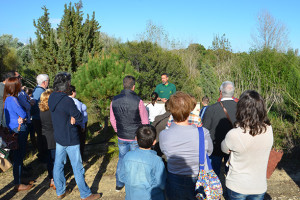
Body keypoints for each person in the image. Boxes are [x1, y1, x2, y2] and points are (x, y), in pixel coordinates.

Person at [48, 72, 101, 200]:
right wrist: (73, 116)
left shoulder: (52, 97)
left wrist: (69, 116)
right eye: (69, 83)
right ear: (66, 84)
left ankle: (60, 191)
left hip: (59, 136)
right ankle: (85, 194)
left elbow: (61, 114)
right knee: (77, 167)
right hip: (71, 138)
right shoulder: (67, 100)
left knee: (58, 165)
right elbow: (79, 116)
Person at [159, 91, 213, 200]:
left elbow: (165, 152)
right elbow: (209, 152)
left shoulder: (164, 135)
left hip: (174, 177)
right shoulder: (203, 132)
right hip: (198, 177)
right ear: (190, 109)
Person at [221, 90, 273, 200]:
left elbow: (224, 149)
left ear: (241, 108)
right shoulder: (269, 129)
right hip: (259, 186)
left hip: (237, 186)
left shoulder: (234, 134)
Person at [110, 75, 149, 191]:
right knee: (137, 161)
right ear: (133, 87)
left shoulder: (114, 100)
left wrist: (118, 130)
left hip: (122, 136)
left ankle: (119, 184)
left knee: (122, 159)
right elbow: (145, 121)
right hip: (135, 137)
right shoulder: (138, 101)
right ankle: (136, 183)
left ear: (123, 85)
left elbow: (112, 120)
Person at [120, 125, 166, 200]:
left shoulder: (128, 156)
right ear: (154, 142)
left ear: (136, 139)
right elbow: (162, 184)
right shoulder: (157, 161)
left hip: (131, 196)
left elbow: (121, 177)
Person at [3, 77, 33, 191]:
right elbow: (23, 113)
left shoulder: (8, 99)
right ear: (15, 86)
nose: (20, 86)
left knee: (18, 156)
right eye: (19, 84)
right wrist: (23, 117)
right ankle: (18, 183)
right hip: (19, 129)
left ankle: (19, 180)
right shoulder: (13, 99)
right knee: (18, 156)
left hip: (14, 128)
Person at [202, 81, 237, 176]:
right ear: (233, 92)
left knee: (213, 176)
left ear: (220, 92)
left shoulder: (211, 109)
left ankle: (215, 190)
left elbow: (204, 130)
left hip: (215, 147)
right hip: (233, 147)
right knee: (232, 175)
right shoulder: (240, 108)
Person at [39, 89, 56, 190]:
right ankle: (55, 180)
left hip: (46, 136)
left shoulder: (42, 110)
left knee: (50, 160)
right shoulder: (51, 111)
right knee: (55, 160)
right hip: (53, 137)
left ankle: (51, 179)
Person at [31, 74, 49, 161]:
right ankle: (43, 154)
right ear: (44, 82)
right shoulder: (40, 92)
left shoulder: (36, 90)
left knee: (40, 137)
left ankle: (43, 153)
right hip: (40, 118)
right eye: (48, 81)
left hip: (37, 117)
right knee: (42, 137)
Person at [68, 85, 87, 158]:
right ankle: (80, 158)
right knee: (81, 142)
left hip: (72, 124)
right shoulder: (75, 102)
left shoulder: (66, 100)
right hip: (78, 125)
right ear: (73, 92)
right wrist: (82, 126)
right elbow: (79, 115)